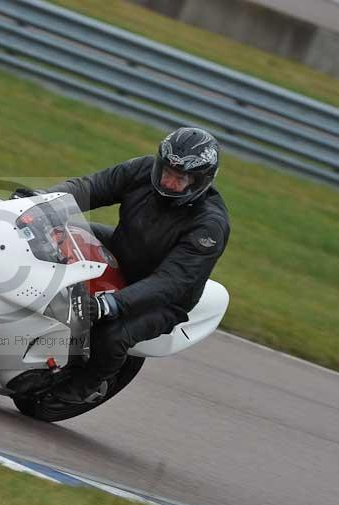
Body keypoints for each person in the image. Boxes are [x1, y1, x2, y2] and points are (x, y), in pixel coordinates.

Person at [16, 126, 230, 404]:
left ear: (200, 182)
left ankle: (89, 384)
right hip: (123, 248)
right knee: (55, 230)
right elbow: (89, 187)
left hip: (163, 298)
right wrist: (43, 201)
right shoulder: (142, 170)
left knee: (112, 334)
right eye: (166, 171)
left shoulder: (209, 226)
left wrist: (111, 304)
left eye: (180, 178)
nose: (168, 182)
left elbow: (170, 282)